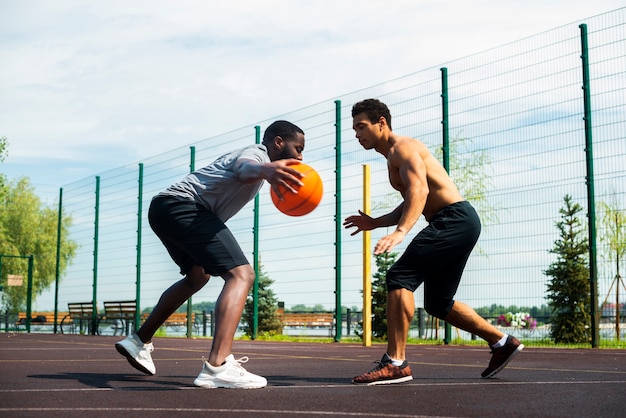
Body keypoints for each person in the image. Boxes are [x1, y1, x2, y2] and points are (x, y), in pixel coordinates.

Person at [344, 99, 523, 385]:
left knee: (400, 276)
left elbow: (420, 190)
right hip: (459, 221)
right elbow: (411, 201)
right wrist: (376, 222)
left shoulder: (403, 148)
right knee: (438, 303)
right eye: (354, 129)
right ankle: (502, 342)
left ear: (381, 123)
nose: (356, 134)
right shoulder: (393, 156)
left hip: (453, 219)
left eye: (361, 126)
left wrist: (401, 232)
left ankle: (396, 363)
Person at [115, 120, 306, 389]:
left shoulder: (261, 165)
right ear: (278, 143)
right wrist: (266, 168)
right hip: (184, 207)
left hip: (164, 209)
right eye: (298, 149)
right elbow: (244, 168)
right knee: (242, 275)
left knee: (197, 276)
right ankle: (217, 365)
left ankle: (139, 340)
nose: (300, 156)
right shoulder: (257, 154)